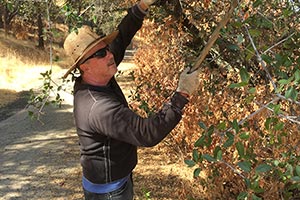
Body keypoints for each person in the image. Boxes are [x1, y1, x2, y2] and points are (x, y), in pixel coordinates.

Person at [63, 0, 201, 199]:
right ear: (84, 66)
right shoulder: (98, 107)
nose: (110, 54)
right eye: (102, 53)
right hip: (110, 192)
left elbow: (122, 37)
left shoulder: (97, 74)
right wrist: (182, 94)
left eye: (106, 48)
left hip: (114, 181)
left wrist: (141, 6)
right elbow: (147, 133)